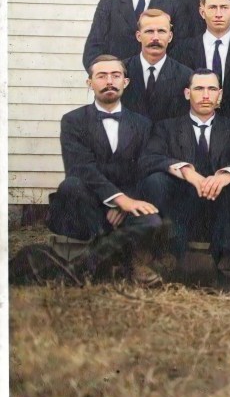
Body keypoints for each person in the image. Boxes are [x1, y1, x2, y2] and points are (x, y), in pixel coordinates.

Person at [45, 55, 164, 284]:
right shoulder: (72, 121)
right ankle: (104, 262)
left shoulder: (142, 124)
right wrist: (116, 200)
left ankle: (129, 263)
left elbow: (143, 170)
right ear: (89, 82)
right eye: (101, 76)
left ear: (125, 82)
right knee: (71, 184)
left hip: (127, 200)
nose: (109, 81)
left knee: (152, 222)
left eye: (115, 75)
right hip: (87, 203)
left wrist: (125, 203)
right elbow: (80, 168)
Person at [138, 69, 230, 280]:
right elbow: (149, 158)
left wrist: (224, 175)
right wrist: (187, 171)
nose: (206, 95)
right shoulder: (166, 127)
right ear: (187, 93)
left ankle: (224, 257)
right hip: (181, 203)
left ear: (220, 95)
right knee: (154, 181)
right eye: (199, 89)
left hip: (222, 203)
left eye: (212, 89)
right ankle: (171, 257)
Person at [120, 9, 193, 124]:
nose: (155, 37)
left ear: (170, 36)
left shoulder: (186, 76)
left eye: (161, 31)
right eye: (149, 31)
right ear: (138, 36)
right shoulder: (120, 71)